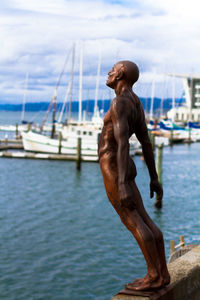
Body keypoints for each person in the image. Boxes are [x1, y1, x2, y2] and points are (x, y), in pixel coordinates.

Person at [98, 61, 170, 291]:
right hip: (124, 166)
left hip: (113, 166)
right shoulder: (135, 103)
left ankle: (152, 275)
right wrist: (154, 177)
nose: (108, 73)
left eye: (112, 70)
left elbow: (122, 145)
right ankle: (162, 274)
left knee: (132, 219)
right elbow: (146, 144)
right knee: (145, 219)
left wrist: (121, 184)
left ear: (120, 74)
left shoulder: (119, 103)